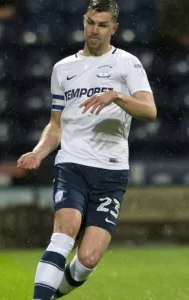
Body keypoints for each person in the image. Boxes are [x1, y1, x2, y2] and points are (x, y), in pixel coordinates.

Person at [17, 0, 157, 299]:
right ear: (84, 21)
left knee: (88, 259)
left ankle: (53, 294)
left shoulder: (127, 64)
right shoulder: (62, 69)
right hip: (72, 164)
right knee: (65, 230)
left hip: (112, 170)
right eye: (90, 22)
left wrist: (117, 97)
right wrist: (39, 152)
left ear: (114, 28)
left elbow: (149, 111)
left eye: (102, 25)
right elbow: (55, 125)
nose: (94, 30)